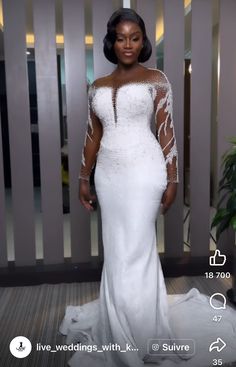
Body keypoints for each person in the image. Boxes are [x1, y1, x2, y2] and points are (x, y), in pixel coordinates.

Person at [59, 8, 236, 367]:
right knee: (117, 249)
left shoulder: (157, 79)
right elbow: (92, 136)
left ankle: (143, 332)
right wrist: (82, 178)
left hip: (145, 172)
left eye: (135, 37)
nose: (128, 44)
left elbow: (166, 129)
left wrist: (173, 179)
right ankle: (118, 324)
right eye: (121, 37)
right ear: (112, 42)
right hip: (109, 176)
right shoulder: (98, 86)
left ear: (143, 41)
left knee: (136, 249)